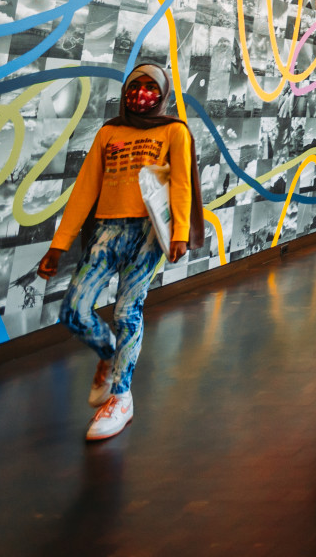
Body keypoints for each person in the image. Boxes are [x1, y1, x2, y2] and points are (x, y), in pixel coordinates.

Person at [37, 64, 202, 442]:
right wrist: (58, 244)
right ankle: (111, 355)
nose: (142, 93)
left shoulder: (173, 130)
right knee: (74, 309)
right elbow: (85, 189)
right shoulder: (109, 131)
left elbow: (180, 183)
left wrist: (179, 232)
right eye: (135, 86)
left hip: (148, 233)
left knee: (128, 310)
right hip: (108, 230)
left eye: (150, 87)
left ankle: (121, 396)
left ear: (161, 92)